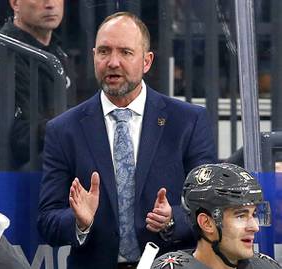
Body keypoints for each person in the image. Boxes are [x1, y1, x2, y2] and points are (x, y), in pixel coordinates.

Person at [37, 11, 217, 269]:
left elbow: (210, 207)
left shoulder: (188, 121)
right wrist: (80, 222)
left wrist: (172, 219)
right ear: (93, 57)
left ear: (147, 61)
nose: (112, 62)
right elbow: (47, 219)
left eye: (125, 52)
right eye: (104, 51)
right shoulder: (64, 130)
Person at [0, 0, 75, 170]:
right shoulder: (1, 56)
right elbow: (18, 137)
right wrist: (71, 126)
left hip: (50, 167)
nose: (50, 4)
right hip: (12, 178)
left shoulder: (58, 53)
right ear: (15, 3)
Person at [151, 163, 281, 269]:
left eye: (254, 214)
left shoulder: (266, 266)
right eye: (240, 216)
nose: (254, 227)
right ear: (206, 223)